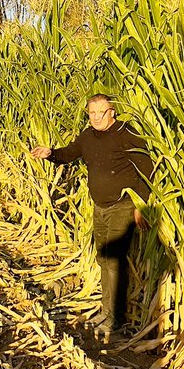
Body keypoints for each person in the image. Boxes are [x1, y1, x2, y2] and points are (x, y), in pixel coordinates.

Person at [32, 94, 154, 340]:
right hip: (100, 206)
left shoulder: (127, 135)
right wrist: (50, 153)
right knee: (103, 259)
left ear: (113, 112)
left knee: (114, 260)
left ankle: (115, 319)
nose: (97, 117)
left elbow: (147, 169)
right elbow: (68, 154)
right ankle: (106, 311)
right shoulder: (88, 136)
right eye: (92, 113)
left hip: (123, 205)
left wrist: (141, 206)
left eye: (102, 112)